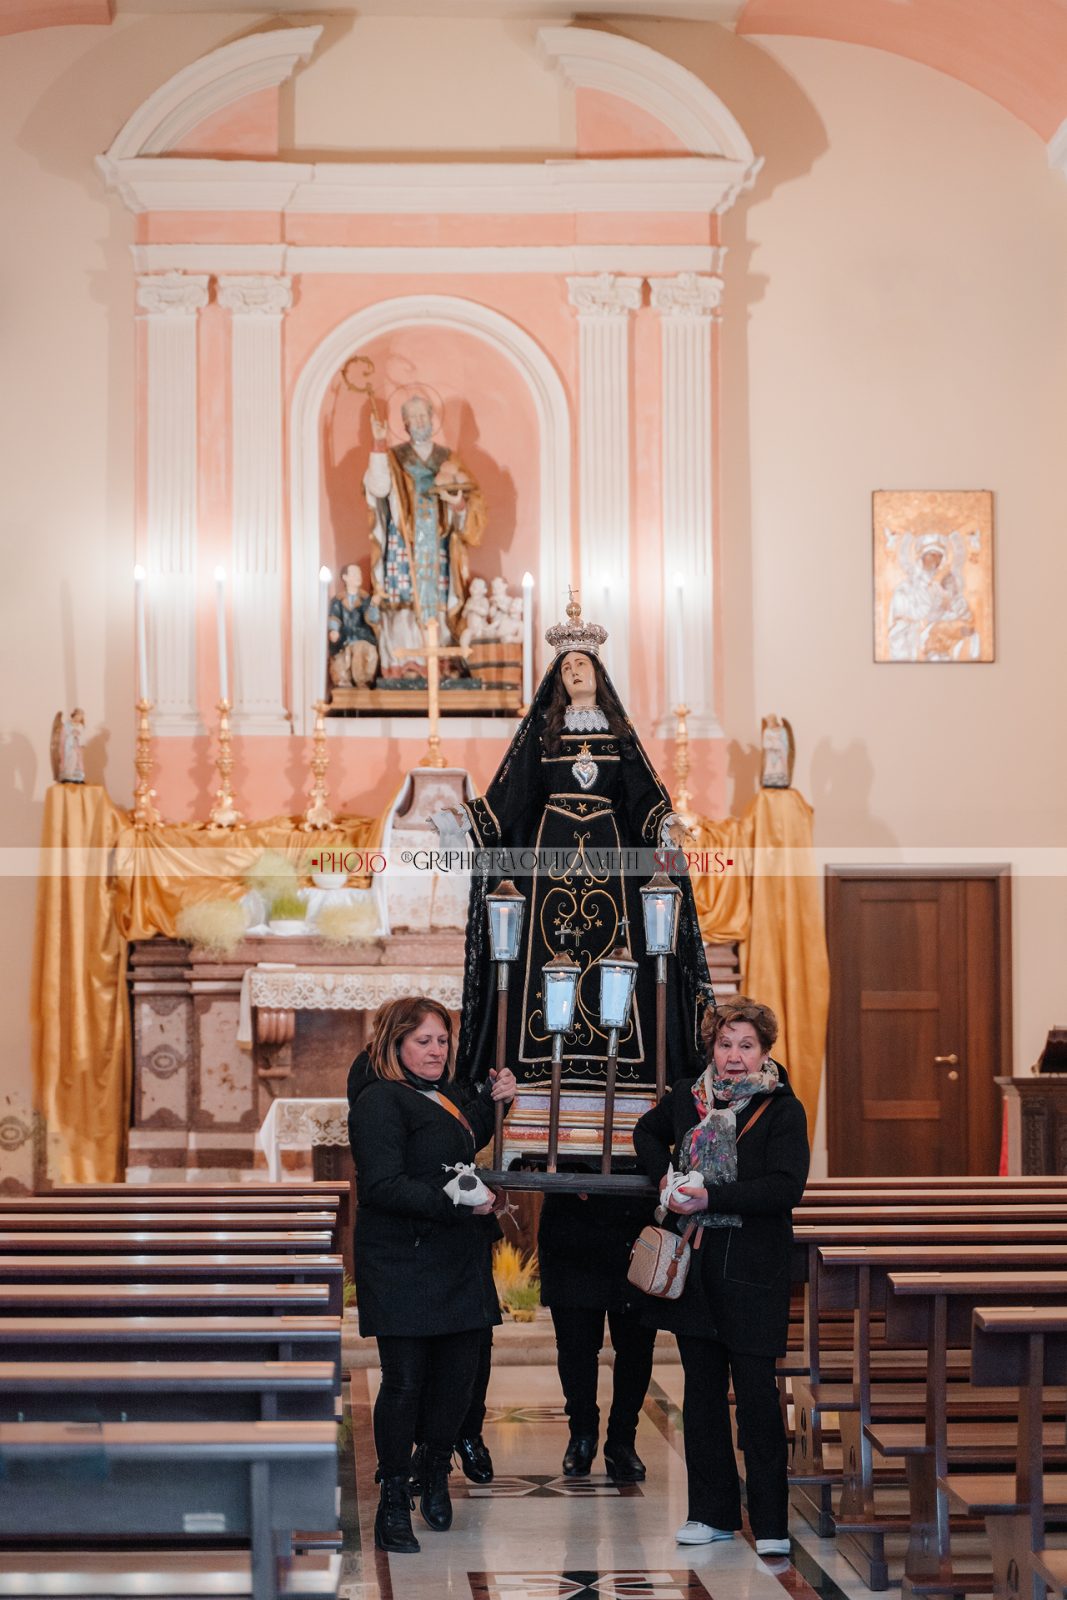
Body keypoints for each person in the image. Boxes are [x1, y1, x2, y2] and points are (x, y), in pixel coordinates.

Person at [450, 598, 713, 1094]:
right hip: (551, 859)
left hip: (611, 863)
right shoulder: (544, 737)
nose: (574, 671)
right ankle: (539, 1064)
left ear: (598, 672)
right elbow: (513, 795)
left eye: (581, 663)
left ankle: (625, 1065)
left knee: (614, 945)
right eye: (566, 666)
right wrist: (467, 819)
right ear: (556, 679)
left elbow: (640, 793)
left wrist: (665, 821)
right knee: (548, 948)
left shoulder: (618, 735)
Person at [632, 996, 810, 1555]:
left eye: (746, 1045)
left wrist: (712, 1194)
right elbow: (644, 1131)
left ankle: (772, 1523)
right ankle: (710, 1513)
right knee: (702, 1393)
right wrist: (664, 1178)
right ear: (712, 1047)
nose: (734, 1056)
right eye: (725, 1044)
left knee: (757, 1395)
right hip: (699, 1265)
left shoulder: (783, 1108)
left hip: (754, 1266)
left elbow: (785, 1187)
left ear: (764, 1051)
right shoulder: (687, 1098)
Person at [347, 997, 515, 1554]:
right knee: (404, 1384)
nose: (437, 1050)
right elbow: (381, 1186)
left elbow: (457, 1144)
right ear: (395, 1045)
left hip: (457, 1258)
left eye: (442, 1040)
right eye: (424, 1041)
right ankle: (394, 1497)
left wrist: (499, 1104)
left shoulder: (440, 1095)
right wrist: (458, 1204)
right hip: (401, 1262)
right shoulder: (377, 1101)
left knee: (456, 1381)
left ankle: (435, 1470)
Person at [538, 1189, 657, 1480]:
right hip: (571, 1222)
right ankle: (581, 1434)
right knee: (575, 1345)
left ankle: (622, 1441)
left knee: (636, 1346)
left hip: (635, 1219)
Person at [363, 393, 486, 676]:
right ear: (404, 424)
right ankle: (403, 665)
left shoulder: (448, 458)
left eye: (423, 416)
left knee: (438, 599)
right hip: (402, 542)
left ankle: (440, 664)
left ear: (432, 419)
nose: (419, 421)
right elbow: (379, 489)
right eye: (412, 417)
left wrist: (458, 504)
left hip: (438, 543)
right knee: (403, 599)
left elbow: (470, 500)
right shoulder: (394, 457)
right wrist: (379, 443)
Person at [327, 562, 380, 688]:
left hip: (362, 637)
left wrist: (373, 606)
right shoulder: (338, 600)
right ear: (345, 578)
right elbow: (334, 617)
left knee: (362, 651)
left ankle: (362, 681)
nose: (359, 576)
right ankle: (344, 682)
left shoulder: (366, 598)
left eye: (360, 573)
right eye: (355, 573)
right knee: (340, 662)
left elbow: (373, 619)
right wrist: (333, 631)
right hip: (344, 639)